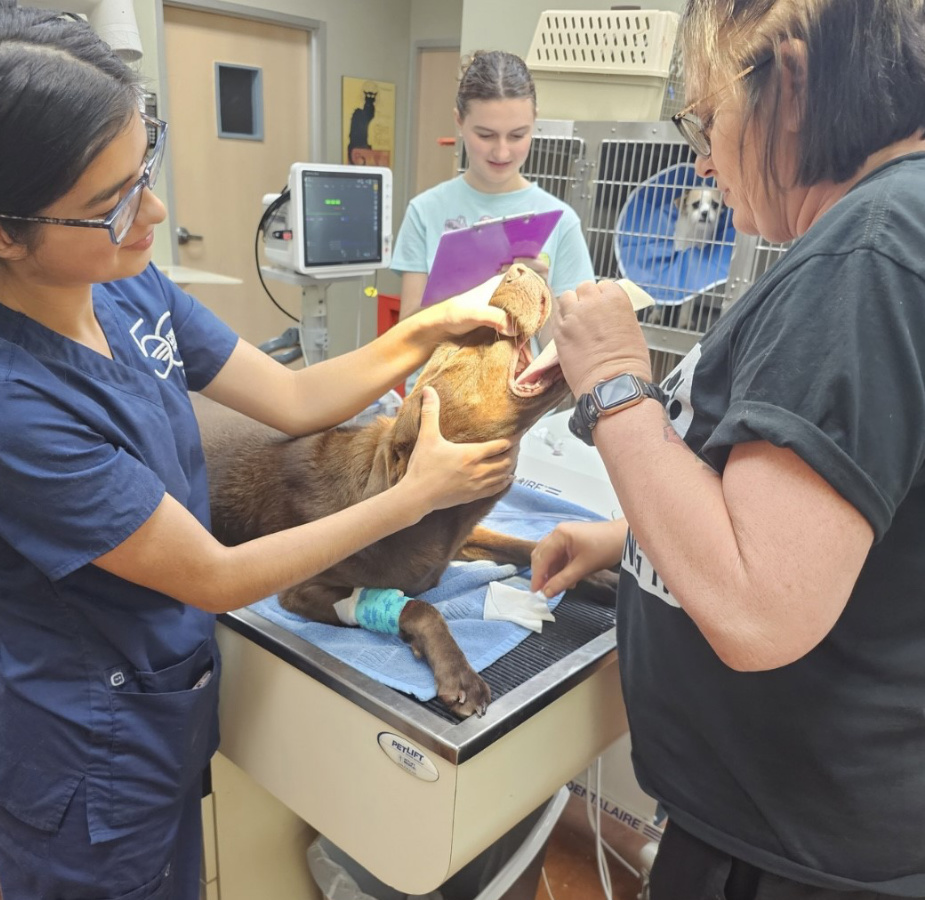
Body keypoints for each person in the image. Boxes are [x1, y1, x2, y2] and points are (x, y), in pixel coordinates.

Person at [0, 7, 521, 900]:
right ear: (7, 233)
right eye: (111, 204)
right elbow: (213, 576)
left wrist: (430, 326)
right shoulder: (18, 403)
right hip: (86, 750)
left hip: (164, 703)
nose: (154, 214)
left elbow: (291, 397)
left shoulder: (129, 290)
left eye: (145, 169)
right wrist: (409, 497)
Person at [529, 1, 925, 897]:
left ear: (787, 87)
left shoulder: (865, 252)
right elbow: (824, 518)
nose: (702, 158)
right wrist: (626, 543)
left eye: (707, 119)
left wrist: (616, 383)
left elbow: (757, 608)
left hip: (791, 855)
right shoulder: (879, 231)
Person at [390, 49, 594, 339]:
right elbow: (404, 336)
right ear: (459, 120)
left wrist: (539, 293)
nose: (501, 151)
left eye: (517, 135)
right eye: (485, 135)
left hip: (518, 383)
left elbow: (570, 349)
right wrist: (474, 287)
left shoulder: (561, 222)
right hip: (436, 382)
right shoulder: (425, 211)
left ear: (534, 121)